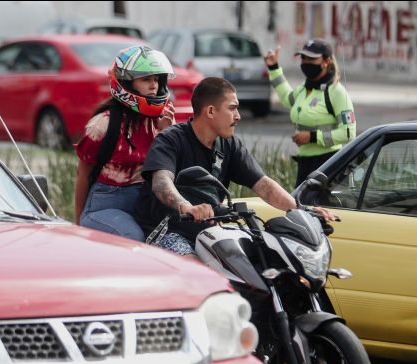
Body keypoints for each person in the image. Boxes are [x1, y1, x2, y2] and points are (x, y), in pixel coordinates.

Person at [133, 77, 338, 257]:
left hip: (207, 232)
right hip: (167, 232)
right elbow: (161, 183)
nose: (238, 116)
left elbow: (264, 186)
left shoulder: (229, 145)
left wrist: (301, 210)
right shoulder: (171, 140)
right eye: (232, 108)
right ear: (211, 111)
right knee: (199, 273)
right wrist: (187, 207)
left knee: (254, 265)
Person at [74, 45, 176, 241]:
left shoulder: (161, 123)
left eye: (157, 79)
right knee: (132, 236)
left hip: (144, 203)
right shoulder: (103, 124)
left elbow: (167, 169)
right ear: (126, 83)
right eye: (146, 79)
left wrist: (166, 133)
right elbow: (83, 174)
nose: (154, 85)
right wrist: (78, 223)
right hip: (104, 206)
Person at [263, 39, 356, 188]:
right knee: (301, 209)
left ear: (326, 61)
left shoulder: (336, 92)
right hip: (304, 163)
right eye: (303, 58)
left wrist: (312, 137)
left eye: (312, 58)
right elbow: (287, 99)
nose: (306, 62)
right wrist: (274, 68)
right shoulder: (304, 88)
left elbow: (348, 132)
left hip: (328, 164)